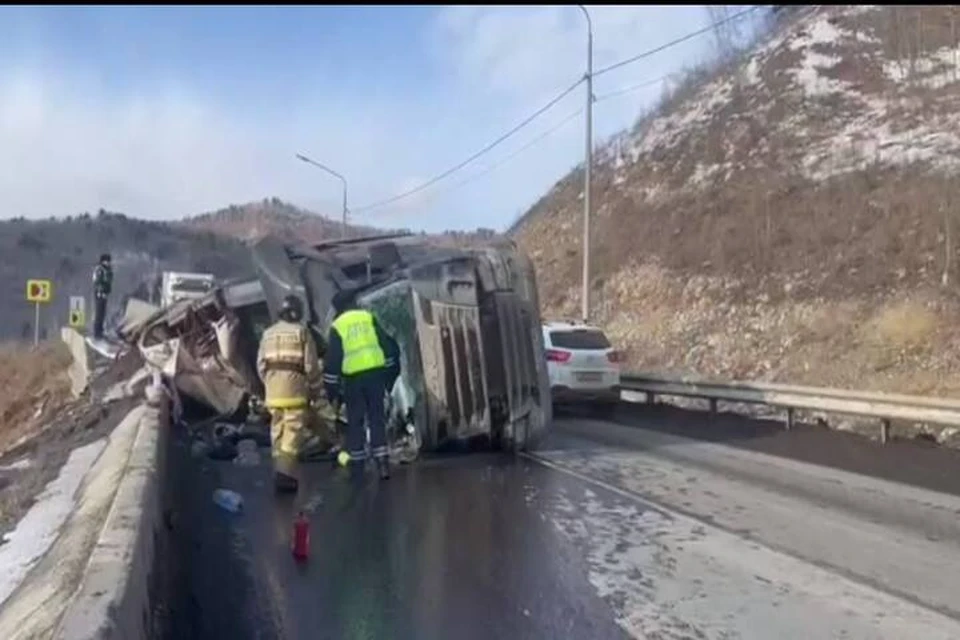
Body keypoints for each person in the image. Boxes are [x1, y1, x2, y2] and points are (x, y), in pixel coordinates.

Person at [257, 295, 337, 493]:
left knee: (277, 431)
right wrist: (317, 390)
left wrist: (269, 383)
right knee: (292, 433)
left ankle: (280, 471)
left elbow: (260, 365)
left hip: (273, 393)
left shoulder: (267, 334)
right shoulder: (302, 333)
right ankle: (283, 475)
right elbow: (311, 366)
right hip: (294, 392)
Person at [323, 290, 400, 482]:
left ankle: (358, 466)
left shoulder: (338, 326)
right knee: (377, 419)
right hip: (375, 374)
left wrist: (331, 388)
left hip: (354, 379)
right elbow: (386, 345)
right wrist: (390, 373)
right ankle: (382, 463)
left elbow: (333, 359)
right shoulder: (368, 317)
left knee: (355, 421)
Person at [91, 253, 113, 339]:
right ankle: (97, 332)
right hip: (100, 294)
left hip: (105, 293)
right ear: (103, 261)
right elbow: (98, 282)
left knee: (103, 313)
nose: (108, 263)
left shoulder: (108, 270)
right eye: (107, 261)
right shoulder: (100, 270)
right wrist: (101, 292)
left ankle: (101, 330)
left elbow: (109, 282)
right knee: (99, 313)